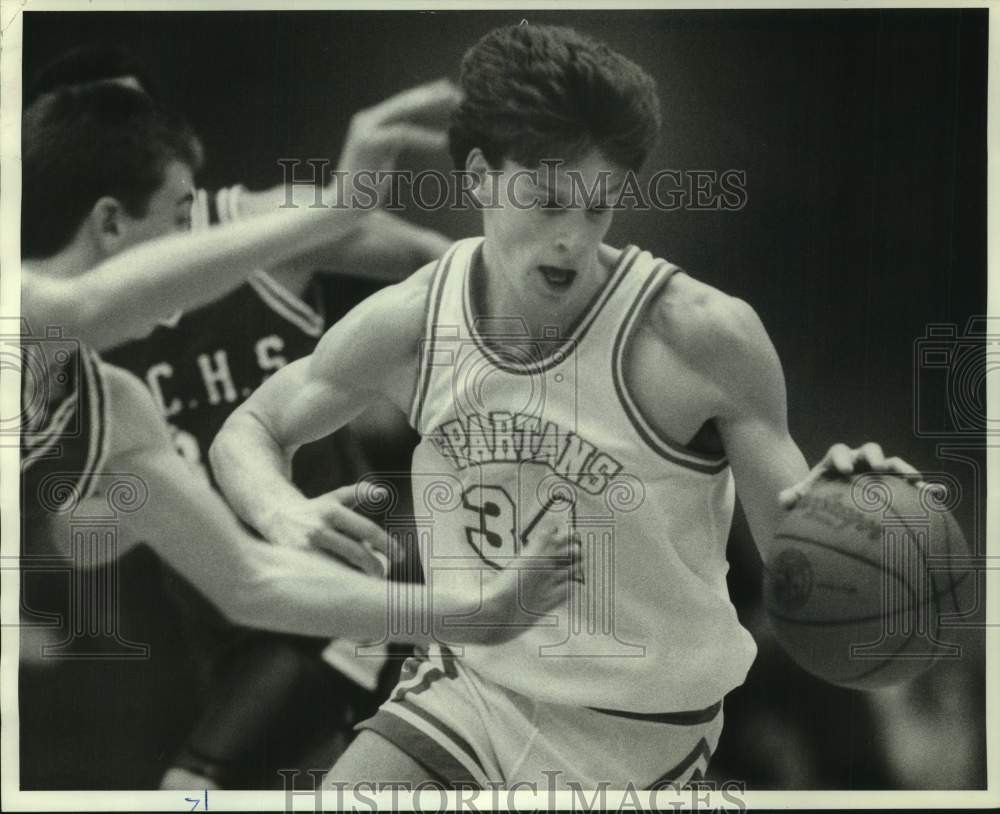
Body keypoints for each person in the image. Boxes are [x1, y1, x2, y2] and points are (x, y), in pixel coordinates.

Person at [211, 23, 933, 790]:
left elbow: (798, 566)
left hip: (642, 732)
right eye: (549, 201)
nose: (571, 239)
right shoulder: (417, 322)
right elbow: (249, 428)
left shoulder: (699, 337)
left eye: (599, 207)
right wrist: (283, 513)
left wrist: (854, 513)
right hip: (471, 695)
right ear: (482, 177)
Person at [19, 78, 577, 700]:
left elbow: (251, 580)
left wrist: (475, 614)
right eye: (181, 221)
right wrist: (337, 207)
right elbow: (84, 308)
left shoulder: (111, 406)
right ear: (110, 222)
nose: (193, 241)